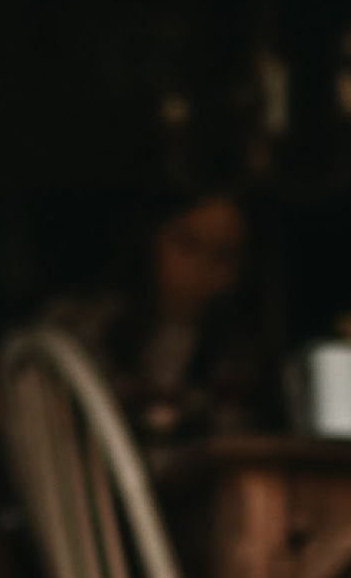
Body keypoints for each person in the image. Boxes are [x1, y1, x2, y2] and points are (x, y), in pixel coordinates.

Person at [46, 186, 271, 447]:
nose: (202, 266)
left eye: (223, 254)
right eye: (188, 244)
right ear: (150, 239)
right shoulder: (76, 329)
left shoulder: (237, 357)